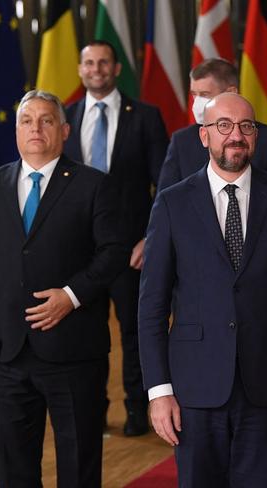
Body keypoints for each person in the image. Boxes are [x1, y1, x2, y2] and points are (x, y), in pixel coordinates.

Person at [138, 93, 267, 487]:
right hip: (192, 387)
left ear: (256, 136)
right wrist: (159, 391)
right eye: (224, 125)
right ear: (204, 136)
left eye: (245, 126)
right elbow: (151, 306)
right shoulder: (172, 203)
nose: (235, 135)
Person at [0, 90, 127, 487]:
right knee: (14, 466)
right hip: (7, 350)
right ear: (16, 131)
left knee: (79, 464)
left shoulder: (93, 185)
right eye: (27, 120)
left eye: (46, 120)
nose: (36, 128)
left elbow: (115, 251)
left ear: (64, 130)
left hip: (73, 349)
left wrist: (71, 295)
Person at [64, 40, 169, 436]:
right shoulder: (67, 118)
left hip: (130, 251)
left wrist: (150, 238)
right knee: (86, 335)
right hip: (79, 253)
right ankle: (92, 410)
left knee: (134, 333)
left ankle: (138, 412)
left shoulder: (145, 117)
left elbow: (166, 186)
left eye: (103, 62)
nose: (96, 69)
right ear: (80, 69)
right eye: (88, 62)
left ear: (117, 68)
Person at [157, 57, 267, 192]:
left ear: (231, 92)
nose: (197, 102)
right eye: (194, 95)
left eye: (204, 94)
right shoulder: (181, 141)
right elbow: (166, 201)